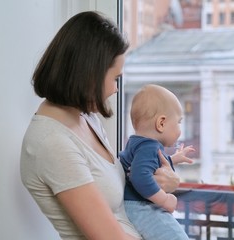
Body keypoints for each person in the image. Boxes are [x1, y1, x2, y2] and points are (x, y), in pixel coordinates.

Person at [20, 11, 180, 240]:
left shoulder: (86, 119)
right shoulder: (52, 143)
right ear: (89, 73)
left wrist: (164, 179)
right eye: (115, 78)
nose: (116, 89)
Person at [120, 84, 195, 240]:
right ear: (161, 123)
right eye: (179, 122)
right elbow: (139, 175)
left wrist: (175, 158)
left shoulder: (137, 142)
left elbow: (149, 166)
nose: (180, 129)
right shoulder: (150, 146)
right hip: (140, 206)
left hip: (132, 205)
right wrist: (165, 200)